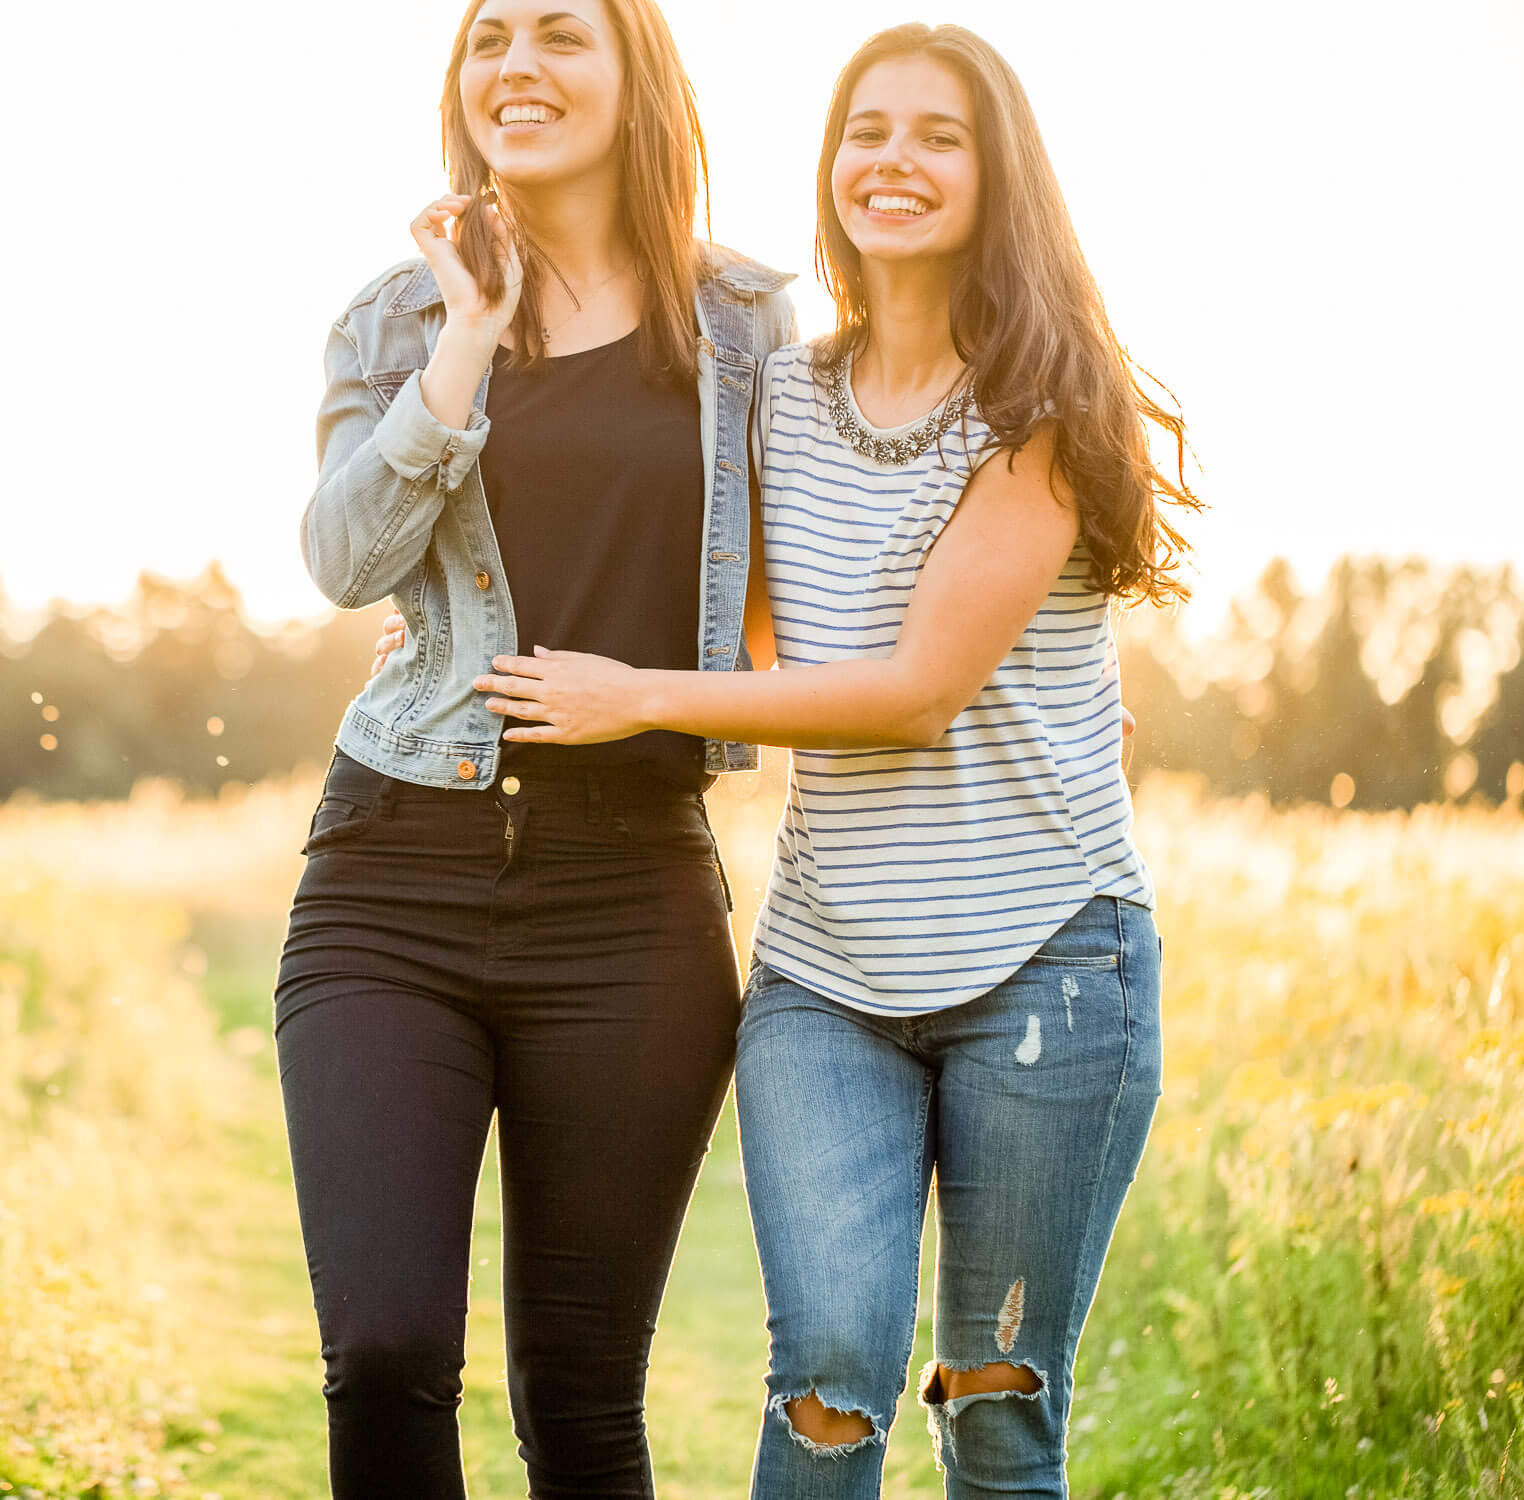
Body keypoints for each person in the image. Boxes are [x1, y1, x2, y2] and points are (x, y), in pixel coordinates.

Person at [466, 23, 1199, 1497]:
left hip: (1048, 970)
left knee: (994, 1404)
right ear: (828, 165)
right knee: (825, 1386)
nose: (894, 161)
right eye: (866, 131)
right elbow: (724, 613)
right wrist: (453, 621)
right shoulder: (771, 397)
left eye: (938, 135)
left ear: (1001, 177)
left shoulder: (1045, 406)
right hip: (825, 982)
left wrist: (636, 701)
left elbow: (916, 689)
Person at [275, 0, 795, 1493]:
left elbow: (835, 563)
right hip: (392, 876)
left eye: (561, 33)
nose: (517, 65)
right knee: (381, 1353)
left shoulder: (754, 324)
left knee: (577, 1395)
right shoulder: (393, 316)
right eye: (487, 35)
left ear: (639, 77)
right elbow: (345, 562)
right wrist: (469, 340)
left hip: (629, 894)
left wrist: (1005, 678)